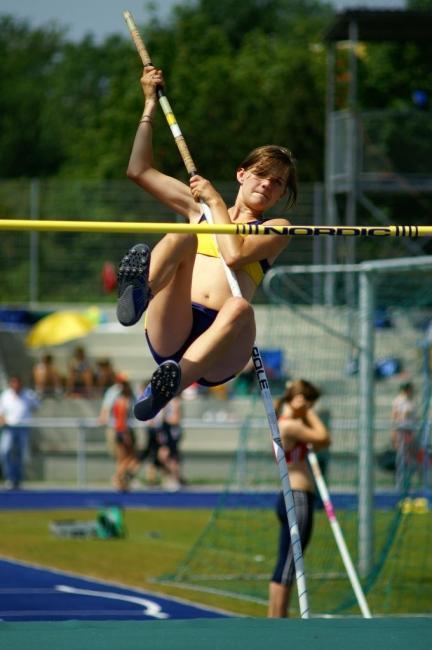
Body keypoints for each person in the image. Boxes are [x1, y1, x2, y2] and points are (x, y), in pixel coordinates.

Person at [116, 64, 298, 422]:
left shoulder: (277, 227)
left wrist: (216, 203)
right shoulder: (198, 209)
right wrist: (149, 104)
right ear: (242, 174)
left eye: (277, 183)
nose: (266, 185)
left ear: (279, 196)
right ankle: (140, 293)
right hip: (173, 323)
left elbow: (234, 255)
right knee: (187, 231)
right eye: (261, 175)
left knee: (240, 309)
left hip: (222, 348)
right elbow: (138, 170)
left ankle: (165, 388)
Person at [268, 379, 331, 618]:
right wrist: (310, 413)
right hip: (298, 498)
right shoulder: (289, 425)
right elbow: (324, 438)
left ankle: (274, 619)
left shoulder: (283, 423)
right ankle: (279, 622)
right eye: (308, 401)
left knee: (284, 564)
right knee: (288, 567)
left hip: (289, 496)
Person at [0, 376, 40, 489]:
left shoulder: (29, 394)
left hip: (23, 428)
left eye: (18, 383)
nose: (16, 386)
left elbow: (36, 406)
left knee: (21, 455)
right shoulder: (5, 395)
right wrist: (2, 419)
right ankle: (10, 478)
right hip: (9, 428)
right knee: (5, 452)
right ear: (10, 384)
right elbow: (1, 412)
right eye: (13, 383)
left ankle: (18, 480)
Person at [111, 379, 140, 491]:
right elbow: (122, 420)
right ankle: (118, 479)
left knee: (125, 458)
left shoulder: (121, 400)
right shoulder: (123, 401)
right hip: (123, 431)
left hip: (121, 430)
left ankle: (121, 480)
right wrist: (125, 434)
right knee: (127, 458)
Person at [391, 381, 417, 489]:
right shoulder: (399, 401)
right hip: (402, 432)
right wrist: (394, 434)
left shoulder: (410, 401)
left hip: (409, 432)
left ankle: (406, 483)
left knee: (408, 459)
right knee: (401, 458)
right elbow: (395, 417)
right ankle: (400, 484)